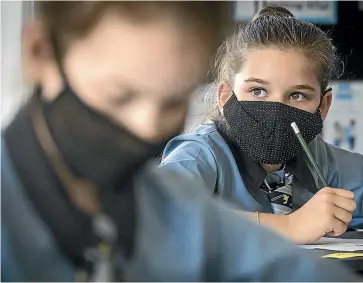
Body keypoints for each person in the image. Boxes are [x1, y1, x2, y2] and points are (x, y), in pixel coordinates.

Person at [1, 2, 361, 282]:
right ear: (40, 52)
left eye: (173, 103)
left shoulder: (166, 204)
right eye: (119, 96)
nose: (147, 128)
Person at [161, 5, 363, 245]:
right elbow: (157, 213)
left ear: (323, 105)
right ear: (225, 96)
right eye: (258, 91)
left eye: (297, 95)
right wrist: (290, 226)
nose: (276, 110)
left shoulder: (321, 160)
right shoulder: (200, 154)